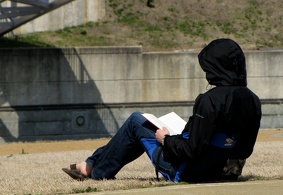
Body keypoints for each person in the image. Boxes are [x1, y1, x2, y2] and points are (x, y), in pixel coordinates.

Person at [62, 38, 262, 182]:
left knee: (136, 121)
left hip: (186, 171)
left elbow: (192, 151)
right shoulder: (253, 100)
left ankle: (95, 171)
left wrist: (166, 139)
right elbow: (245, 149)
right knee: (148, 126)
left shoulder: (209, 100)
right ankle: (89, 163)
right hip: (221, 171)